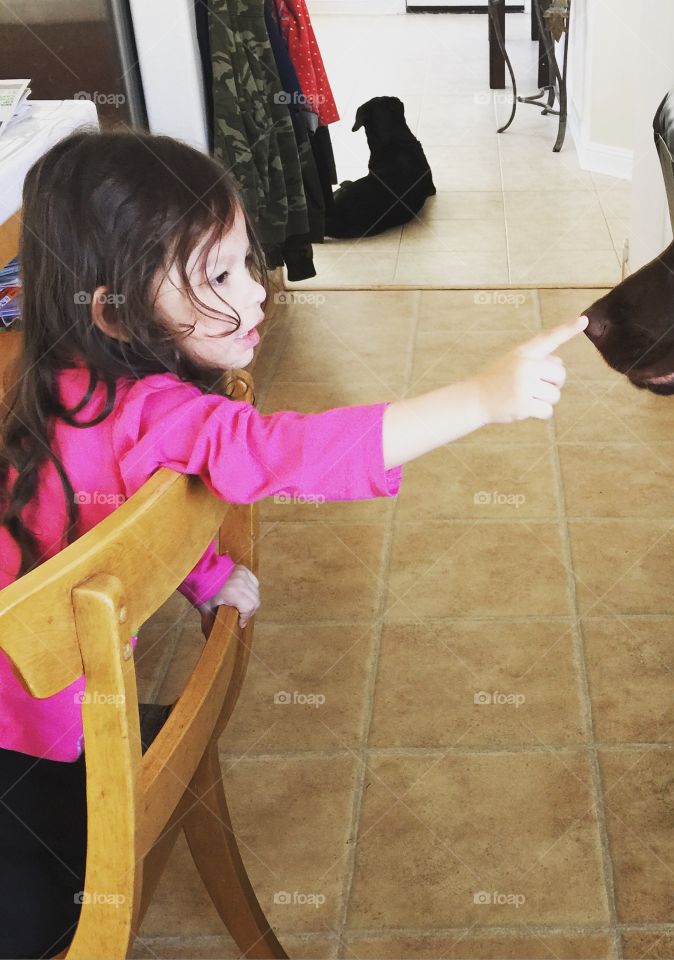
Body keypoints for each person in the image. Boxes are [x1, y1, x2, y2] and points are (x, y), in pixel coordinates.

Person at [0, 129, 586, 956]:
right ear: (117, 310)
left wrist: (201, 574)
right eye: (218, 276)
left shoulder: (71, 390)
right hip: (41, 749)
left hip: (45, 722)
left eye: (246, 261)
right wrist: (478, 399)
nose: (258, 290)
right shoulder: (162, 415)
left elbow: (114, 515)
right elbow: (289, 455)